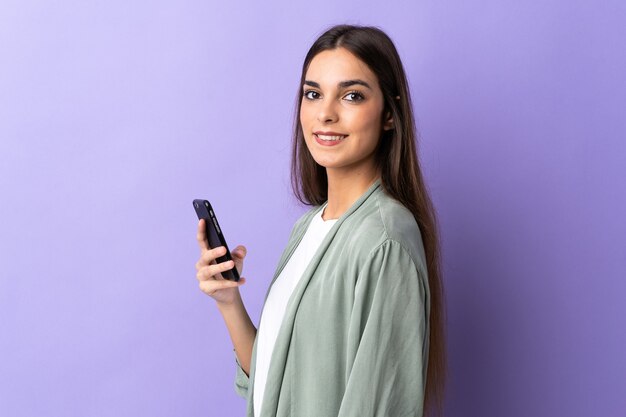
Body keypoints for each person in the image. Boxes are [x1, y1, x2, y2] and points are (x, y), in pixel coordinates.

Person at [195, 24, 446, 417]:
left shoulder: (385, 241)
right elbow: (268, 385)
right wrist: (229, 301)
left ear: (389, 115)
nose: (326, 113)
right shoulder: (308, 227)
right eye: (313, 94)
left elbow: (379, 406)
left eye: (352, 96)